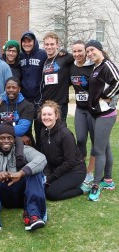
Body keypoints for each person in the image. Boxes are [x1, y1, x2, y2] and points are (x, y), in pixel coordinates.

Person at [0, 122, 47, 241]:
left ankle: (33, 215)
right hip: (4, 196)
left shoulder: (24, 149)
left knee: (35, 172)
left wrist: (21, 173)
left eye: (9, 138)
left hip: (23, 195)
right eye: (2, 138)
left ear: (14, 139)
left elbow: (41, 159)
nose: (6, 141)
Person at [85, 40, 119, 201]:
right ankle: (108, 180)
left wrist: (107, 97)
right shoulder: (96, 67)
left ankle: (96, 185)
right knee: (105, 148)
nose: (90, 54)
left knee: (98, 150)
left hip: (105, 115)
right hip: (97, 113)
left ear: (100, 49)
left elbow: (118, 82)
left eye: (92, 50)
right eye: (87, 52)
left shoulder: (107, 65)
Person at [39, 100, 87, 200]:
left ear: (56, 116)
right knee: (41, 189)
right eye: (44, 114)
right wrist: (47, 176)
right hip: (57, 170)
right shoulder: (43, 132)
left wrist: (51, 178)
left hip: (75, 171)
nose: (46, 117)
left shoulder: (65, 134)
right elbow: (44, 157)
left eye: (49, 114)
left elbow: (70, 162)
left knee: (52, 194)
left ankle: (83, 189)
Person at [70, 40, 95, 185]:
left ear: (86, 52)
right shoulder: (71, 67)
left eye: (80, 51)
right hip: (80, 109)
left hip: (93, 110)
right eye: (74, 51)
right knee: (80, 139)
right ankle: (81, 167)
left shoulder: (92, 67)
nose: (77, 54)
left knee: (95, 141)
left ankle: (91, 172)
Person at [19, 31, 47, 150]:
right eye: (24, 41)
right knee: (26, 130)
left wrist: (62, 53)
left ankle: (43, 156)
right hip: (25, 100)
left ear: (34, 42)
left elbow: (55, 59)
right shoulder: (20, 56)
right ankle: (30, 154)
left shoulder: (42, 54)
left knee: (40, 130)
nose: (27, 44)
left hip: (39, 98)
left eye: (29, 41)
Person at [0, 77, 35, 146]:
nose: (11, 90)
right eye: (8, 88)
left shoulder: (28, 106)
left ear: (19, 89)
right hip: (4, 140)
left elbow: (21, 129)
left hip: (23, 142)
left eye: (14, 87)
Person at [41, 32, 74, 121]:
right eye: (47, 44)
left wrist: (65, 51)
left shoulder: (64, 57)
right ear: (44, 46)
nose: (49, 47)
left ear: (57, 45)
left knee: (60, 130)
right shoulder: (44, 61)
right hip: (46, 103)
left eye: (52, 44)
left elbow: (79, 56)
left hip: (60, 103)